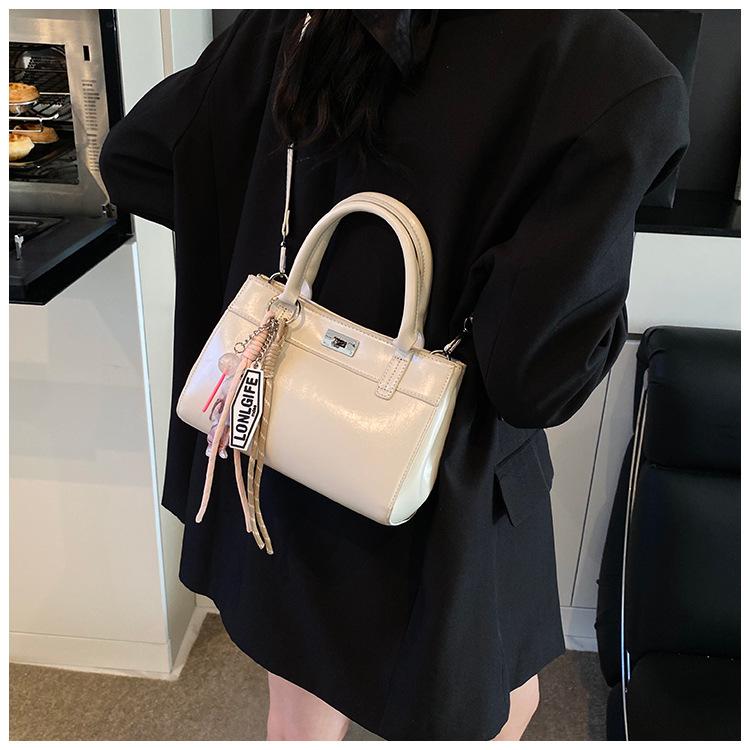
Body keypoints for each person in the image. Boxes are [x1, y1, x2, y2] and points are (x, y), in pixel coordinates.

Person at [99, 10, 690, 741]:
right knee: (500, 711)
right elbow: (534, 379)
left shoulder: (301, 20)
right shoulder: (612, 72)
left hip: (279, 443)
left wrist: (266, 243)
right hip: (439, 492)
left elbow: (137, 159)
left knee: (302, 712)